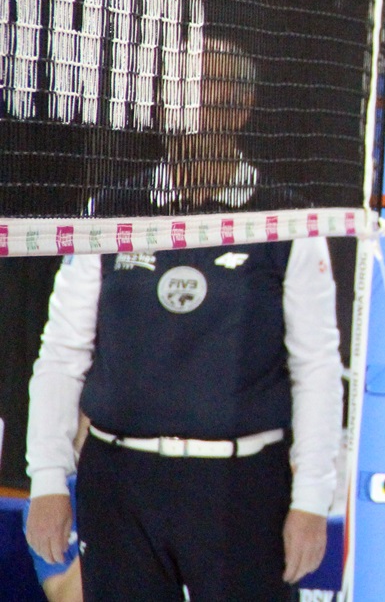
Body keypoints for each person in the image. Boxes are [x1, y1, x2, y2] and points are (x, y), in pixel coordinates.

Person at [25, 36, 341, 601]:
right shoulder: (109, 212)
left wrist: (313, 500)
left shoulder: (290, 219)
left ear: (241, 109)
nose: (194, 113)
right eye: (182, 97)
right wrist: (47, 478)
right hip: (119, 484)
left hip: (243, 487)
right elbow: (62, 352)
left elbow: (316, 367)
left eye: (212, 97)